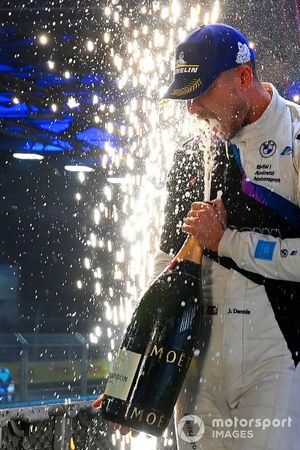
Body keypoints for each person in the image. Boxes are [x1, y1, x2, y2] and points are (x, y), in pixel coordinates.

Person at [94, 23, 300, 450]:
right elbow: (164, 270)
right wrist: (134, 379)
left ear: (243, 78)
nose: (191, 109)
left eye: (201, 92)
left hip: (274, 361)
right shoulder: (192, 152)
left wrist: (227, 243)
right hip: (197, 366)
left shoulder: (295, 138)